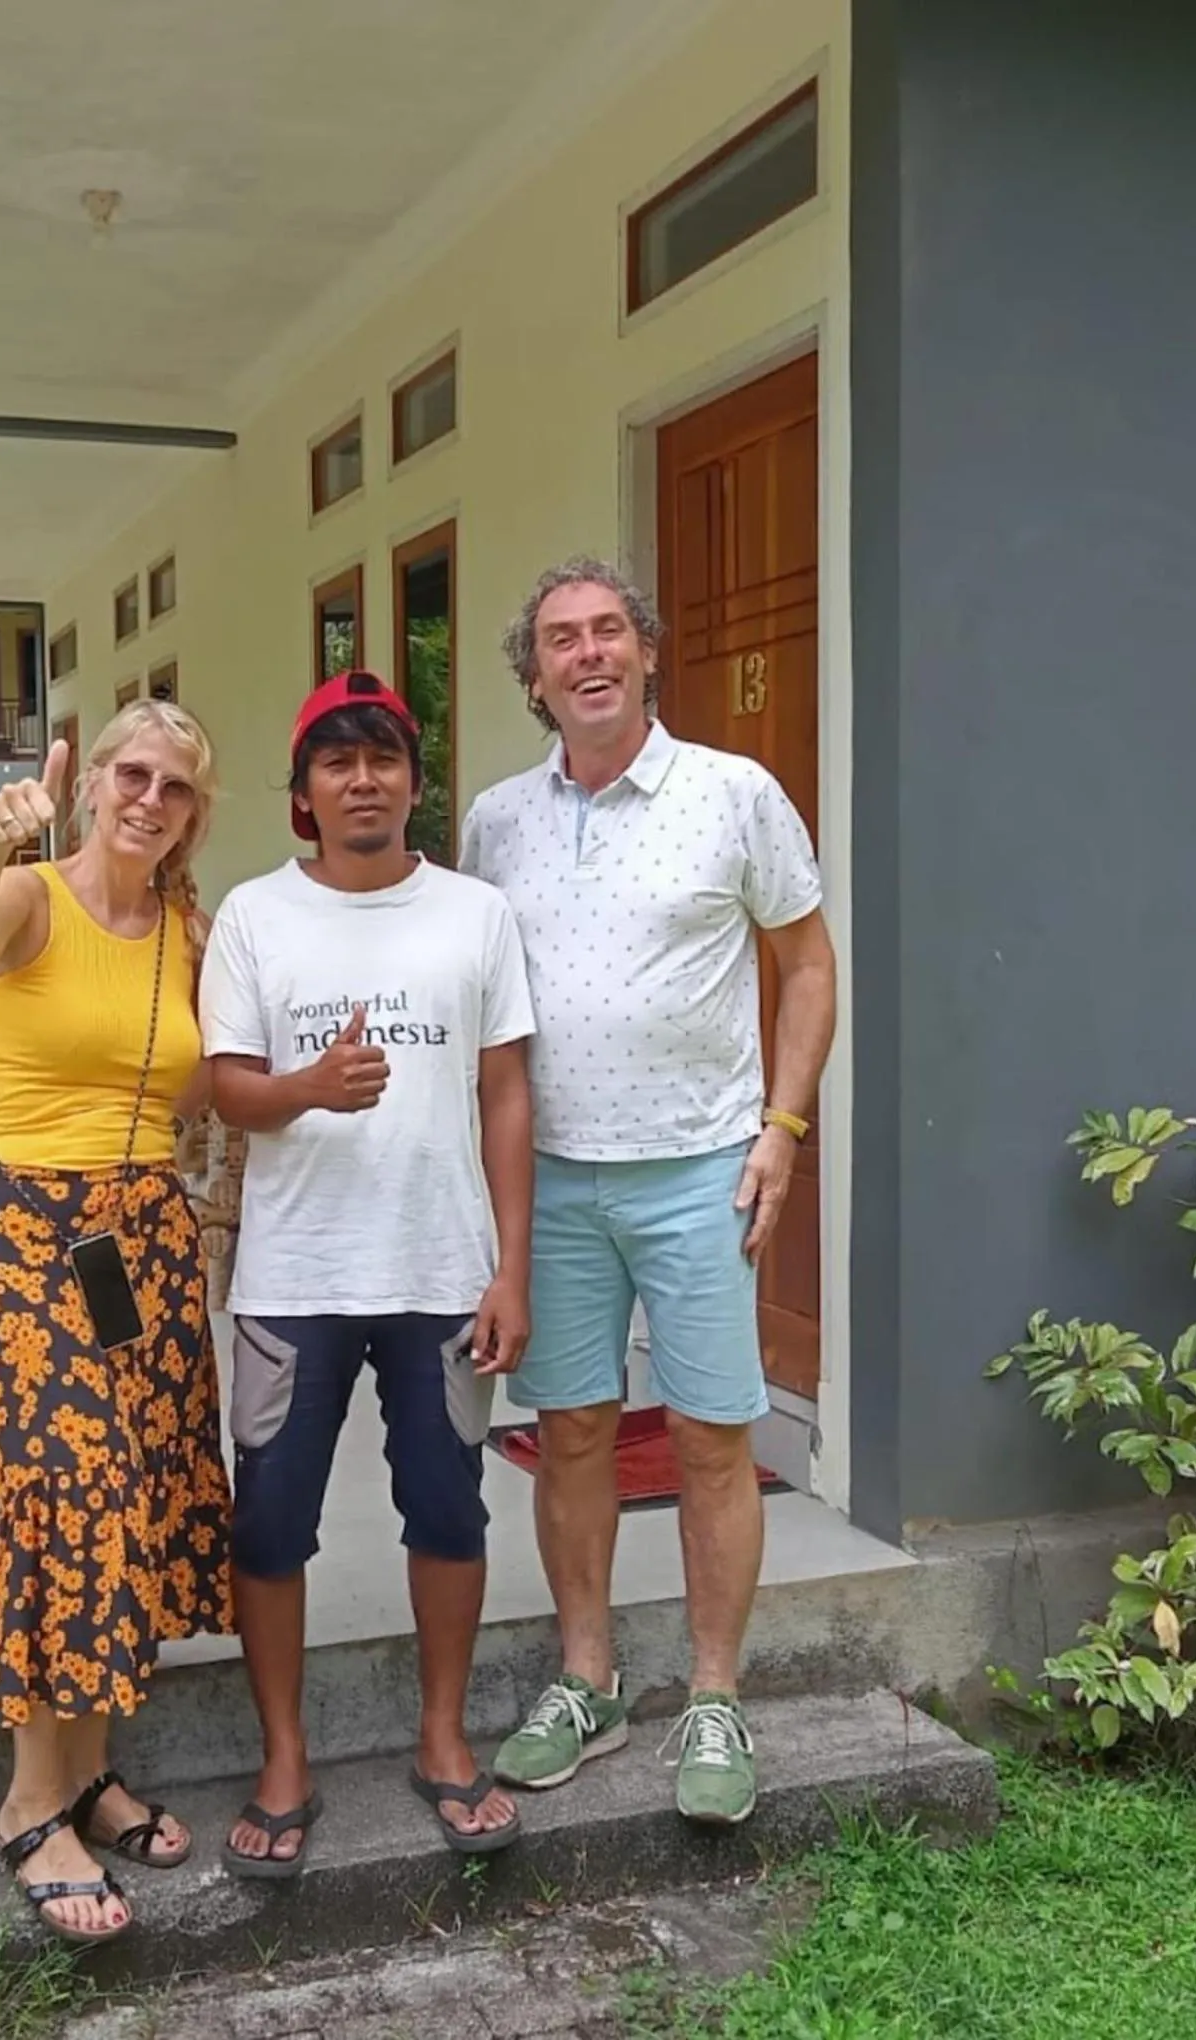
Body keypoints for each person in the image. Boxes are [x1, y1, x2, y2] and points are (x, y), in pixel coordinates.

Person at [459, 559, 837, 1827]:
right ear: (535, 677)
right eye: (560, 639)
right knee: (569, 1429)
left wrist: (783, 1127)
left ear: (649, 651)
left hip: (701, 1173)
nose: (588, 655)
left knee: (714, 1437)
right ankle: (588, 1678)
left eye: (608, 629)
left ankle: (716, 1695)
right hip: (553, 1183)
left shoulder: (736, 795)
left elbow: (808, 963)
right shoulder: (496, 821)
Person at [0, 702, 234, 1945]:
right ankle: (28, 1803)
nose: (148, 798)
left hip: (138, 1234)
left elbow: (205, 1078)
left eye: (176, 787)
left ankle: (87, 1775)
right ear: (90, 788)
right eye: (130, 775)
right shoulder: (30, 895)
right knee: (61, 1485)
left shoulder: (186, 931)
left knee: (126, 1486)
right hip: (20, 1224)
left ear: (196, 812)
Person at [200, 669, 535, 1875]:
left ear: (410, 781)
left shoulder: (475, 914)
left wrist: (512, 1267)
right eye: (336, 763)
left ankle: (443, 1739)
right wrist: (306, 1091)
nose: (362, 780)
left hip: (443, 1270)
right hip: (294, 1280)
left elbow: (505, 1091)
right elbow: (226, 1084)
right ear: (303, 795)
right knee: (272, 1522)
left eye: (382, 758)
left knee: (448, 1507)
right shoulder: (253, 916)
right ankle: (284, 1752)